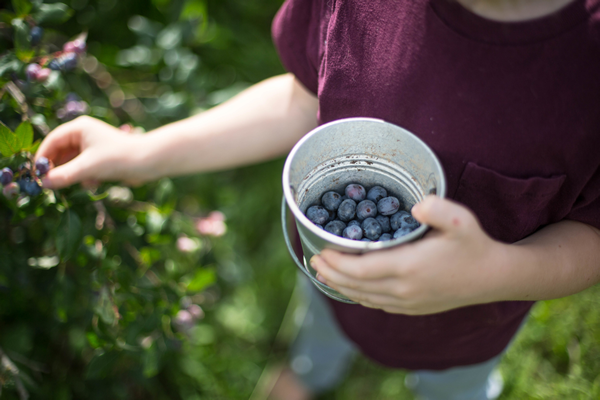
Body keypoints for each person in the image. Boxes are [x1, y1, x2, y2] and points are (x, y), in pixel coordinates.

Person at [36, 0, 600, 398]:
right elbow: (302, 99)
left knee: (456, 385)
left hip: (475, 322)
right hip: (334, 276)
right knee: (324, 324)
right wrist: (143, 155)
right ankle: (311, 372)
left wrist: (496, 273)